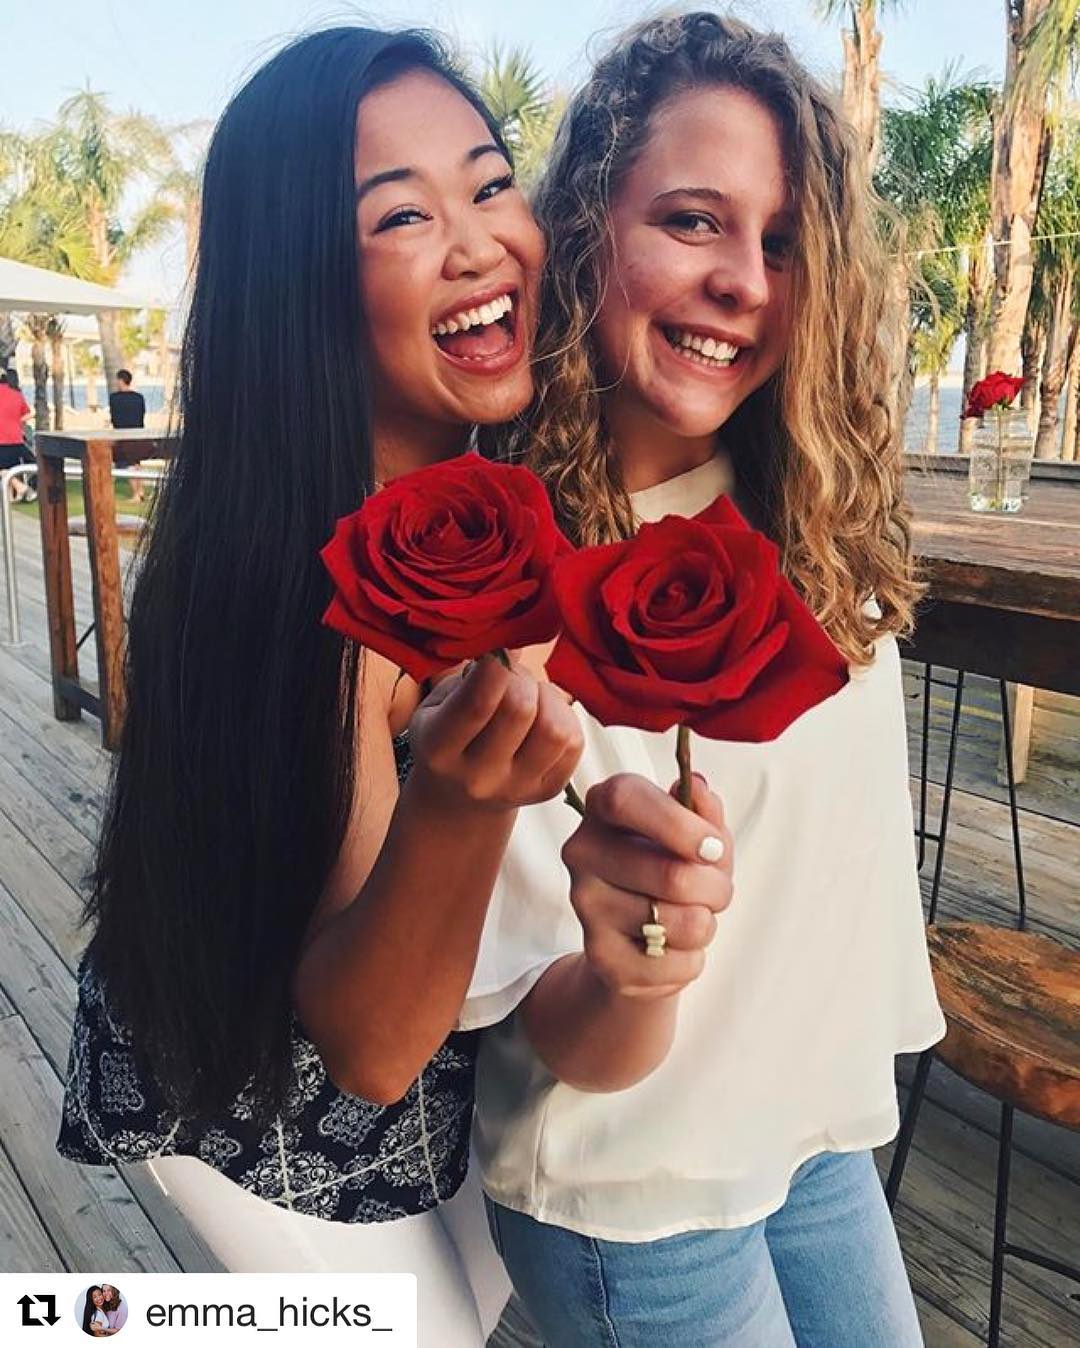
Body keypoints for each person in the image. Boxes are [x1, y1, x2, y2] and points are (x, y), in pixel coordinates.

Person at [56, 27, 585, 1345]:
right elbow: (372, 1046)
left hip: (429, 1057)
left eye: (491, 183)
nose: (478, 242)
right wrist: (462, 799)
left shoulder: (501, 482)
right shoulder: (300, 578)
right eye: (401, 215)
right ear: (299, 280)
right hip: (242, 1088)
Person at [469, 13, 945, 1346]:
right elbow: (543, 1024)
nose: (744, 280)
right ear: (586, 233)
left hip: (814, 1133)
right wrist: (635, 971)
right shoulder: (507, 584)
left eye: (784, 243)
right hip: (635, 1184)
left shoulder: (819, 514)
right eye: (693, 220)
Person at [108, 370, 147, 502]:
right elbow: (142, 414)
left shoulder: (114, 398)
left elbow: (115, 417)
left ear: (120, 381)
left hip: (122, 434)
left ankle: (136, 494)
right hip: (138, 434)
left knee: (128, 464)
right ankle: (140, 491)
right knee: (136, 463)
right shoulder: (139, 397)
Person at [0, 367, 34, 502]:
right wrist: (16, 421)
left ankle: (22, 488)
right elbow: (29, 413)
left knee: (4, 470)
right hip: (16, 439)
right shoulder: (16, 395)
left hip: (2, 439)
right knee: (9, 468)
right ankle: (10, 499)